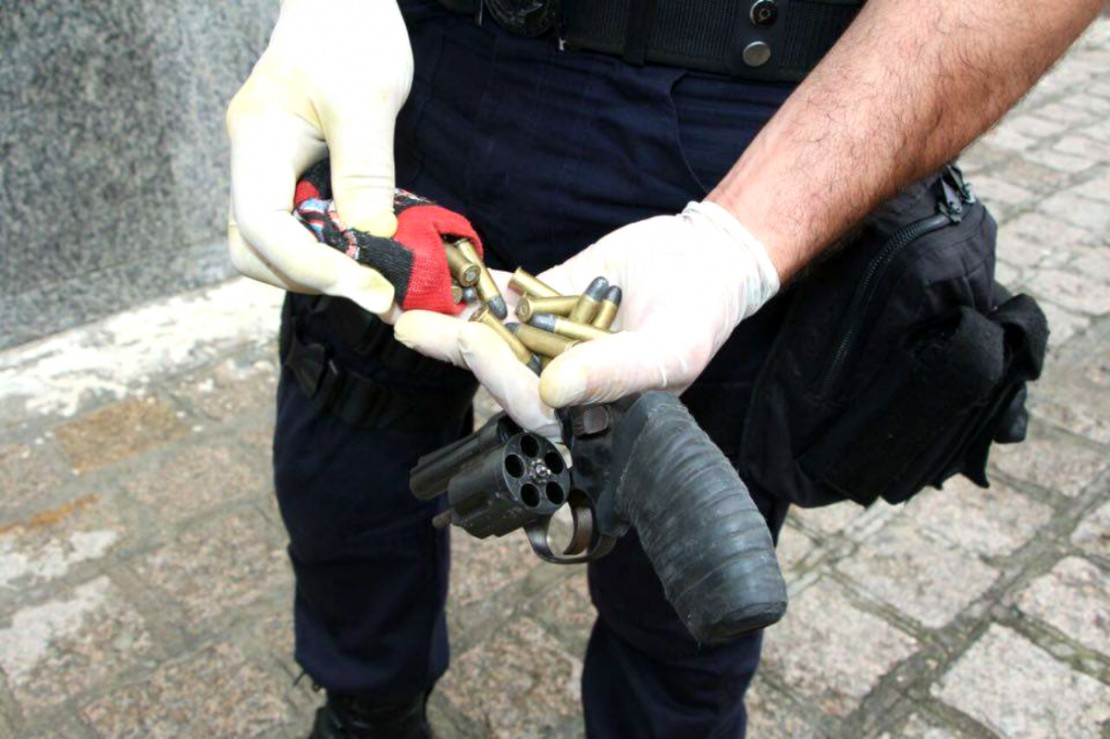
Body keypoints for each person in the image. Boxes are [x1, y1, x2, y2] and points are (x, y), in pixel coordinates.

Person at [226, 0, 1103, 736]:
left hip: (742, 128)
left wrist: (737, 246)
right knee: (345, 460)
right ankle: (367, 706)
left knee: (681, 593)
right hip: (423, 69)